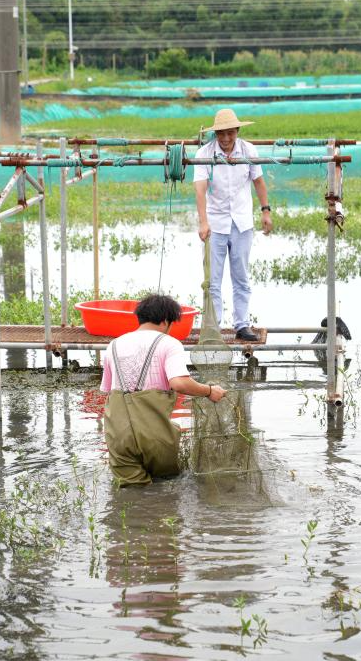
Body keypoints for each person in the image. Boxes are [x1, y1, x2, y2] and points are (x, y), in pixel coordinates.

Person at [100, 294, 226, 486]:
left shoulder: (113, 346)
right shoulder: (168, 343)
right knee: (166, 489)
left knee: (131, 493)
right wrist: (209, 391)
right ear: (166, 320)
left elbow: (107, 390)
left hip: (118, 437)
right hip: (155, 437)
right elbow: (179, 383)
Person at [193, 108, 272, 342]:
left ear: (237, 131)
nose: (226, 139)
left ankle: (242, 325)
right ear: (215, 134)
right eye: (221, 135)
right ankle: (214, 327)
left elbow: (258, 180)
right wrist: (203, 222)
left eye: (230, 134)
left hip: (242, 222)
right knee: (213, 280)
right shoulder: (205, 153)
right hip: (215, 223)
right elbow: (200, 187)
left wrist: (265, 211)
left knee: (241, 276)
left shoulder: (248, 150)